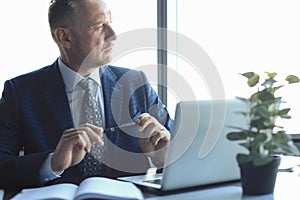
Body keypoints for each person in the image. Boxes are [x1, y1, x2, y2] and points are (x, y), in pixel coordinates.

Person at [0, 0, 173, 190]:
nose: (113, 35)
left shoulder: (136, 82)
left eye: (111, 23)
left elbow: (183, 155)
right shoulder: (20, 93)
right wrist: (52, 164)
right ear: (65, 37)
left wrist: (164, 157)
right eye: (99, 26)